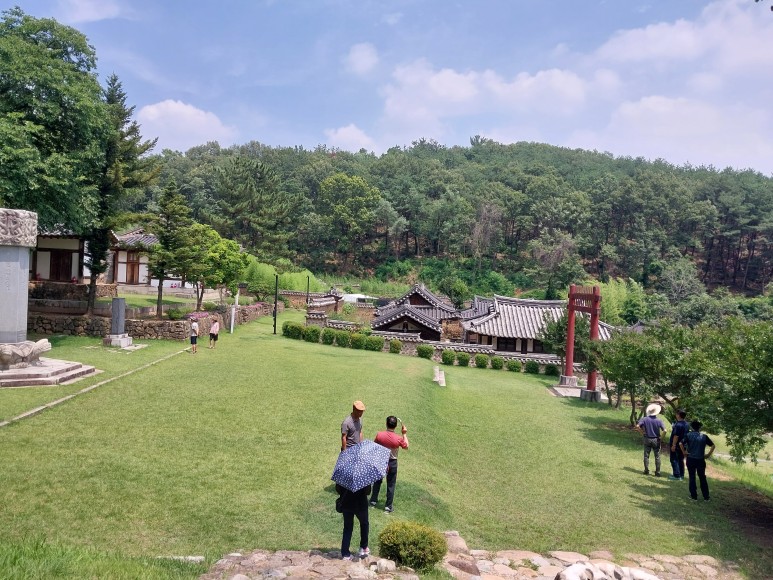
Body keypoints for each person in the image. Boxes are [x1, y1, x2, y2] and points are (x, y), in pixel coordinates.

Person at [370, 416, 409, 513]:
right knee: (391, 484)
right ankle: (388, 507)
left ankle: (373, 501)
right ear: (395, 426)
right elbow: (406, 446)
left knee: (377, 482)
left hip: (381, 461)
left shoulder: (379, 435)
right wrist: (404, 434)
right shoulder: (398, 438)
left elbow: (375, 446)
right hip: (392, 463)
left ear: (386, 424)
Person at [680, 420, 715, 501]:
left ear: (691, 427)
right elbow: (713, 445)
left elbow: (680, 443)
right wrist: (708, 455)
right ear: (699, 428)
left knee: (692, 477)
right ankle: (706, 497)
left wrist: (684, 452)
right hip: (701, 460)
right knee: (702, 477)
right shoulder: (704, 436)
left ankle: (694, 496)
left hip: (691, 459)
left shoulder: (688, 435)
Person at [337, 483, 371, 560]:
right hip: (360, 504)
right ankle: (363, 547)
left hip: (346, 503)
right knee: (364, 524)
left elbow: (338, 489)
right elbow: (367, 492)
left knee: (347, 528)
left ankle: (345, 553)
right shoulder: (363, 476)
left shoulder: (344, 476)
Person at [636, 403, 666, 476]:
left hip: (647, 439)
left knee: (646, 456)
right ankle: (657, 472)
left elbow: (637, 426)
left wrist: (642, 433)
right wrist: (661, 438)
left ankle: (646, 470)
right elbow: (665, 431)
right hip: (656, 439)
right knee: (657, 456)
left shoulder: (644, 419)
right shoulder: (659, 420)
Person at [668, 409, 689, 481]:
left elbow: (676, 436)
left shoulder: (678, 424)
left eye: (676, 414)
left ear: (679, 415)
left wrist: (673, 445)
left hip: (676, 445)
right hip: (683, 444)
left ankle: (676, 475)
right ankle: (681, 475)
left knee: (674, 459)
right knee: (681, 459)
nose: (675, 415)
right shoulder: (686, 424)